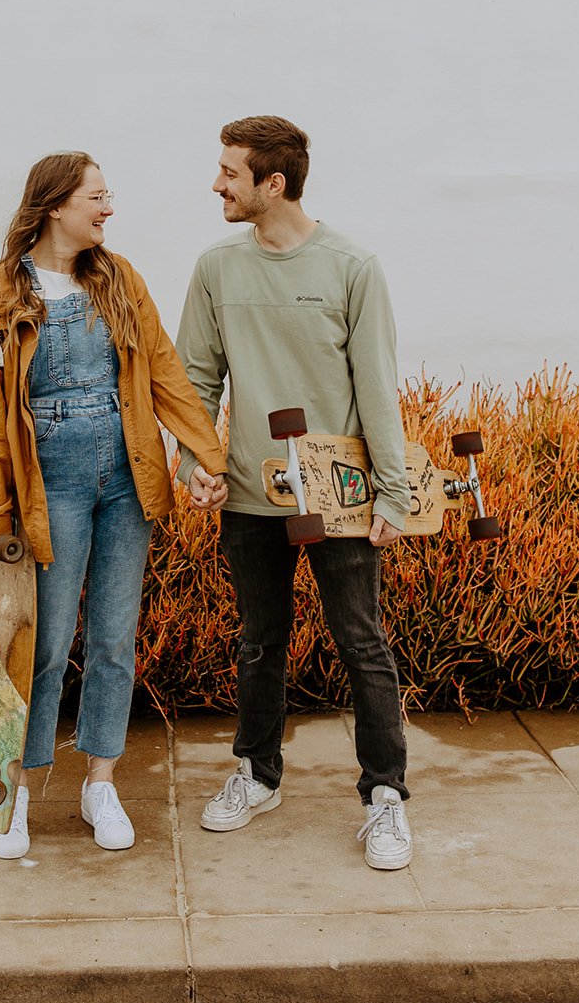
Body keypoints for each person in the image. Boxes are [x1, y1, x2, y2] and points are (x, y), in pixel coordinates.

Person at [0, 151, 227, 861]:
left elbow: (164, 371)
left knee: (113, 639)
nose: (107, 210)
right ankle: (13, 793)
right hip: (49, 487)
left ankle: (99, 783)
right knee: (40, 647)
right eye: (96, 198)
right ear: (54, 205)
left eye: (108, 198)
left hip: (126, 475)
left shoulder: (117, 278)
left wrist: (205, 451)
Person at [175, 116, 414, 870]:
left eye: (229, 172)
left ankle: (384, 798)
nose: (216, 183)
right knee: (258, 643)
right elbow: (196, 381)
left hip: (339, 495)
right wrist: (194, 462)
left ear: (272, 183)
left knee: (361, 645)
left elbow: (376, 387)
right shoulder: (217, 268)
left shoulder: (352, 266)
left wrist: (393, 493)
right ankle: (256, 774)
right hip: (249, 494)